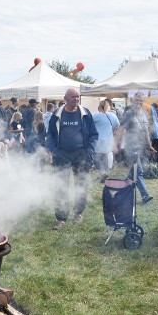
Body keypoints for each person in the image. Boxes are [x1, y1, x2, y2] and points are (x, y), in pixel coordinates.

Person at [46, 88, 98, 230]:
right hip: (61, 154)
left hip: (81, 154)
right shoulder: (57, 114)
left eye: (77, 96)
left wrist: (89, 150)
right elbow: (50, 134)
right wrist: (54, 150)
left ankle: (78, 213)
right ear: (66, 98)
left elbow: (93, 134)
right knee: (60, 186)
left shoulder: (85, 113)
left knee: (81, 184)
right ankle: (61, 218)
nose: (76, 99)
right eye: (73, 97)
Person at [117, 92, 155, 204]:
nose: (139, 102)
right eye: (137, 100)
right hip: (131, 147)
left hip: (142, 148)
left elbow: (146, 131)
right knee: (138, 171)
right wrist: (116, 144)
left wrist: (149, 145)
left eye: (141, 100)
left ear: (144, 101)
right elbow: (120, 129)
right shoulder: (129, 114)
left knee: (132, 173)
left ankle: (120, 191)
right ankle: (145, 195)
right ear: (132, 101)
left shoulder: (144, 114)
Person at [92, 99, 120, 182]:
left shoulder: (96, 115)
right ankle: (104, 174)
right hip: (109, 140)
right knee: (105, 158)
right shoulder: (113, 116)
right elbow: (117, 126)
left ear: (99, 106)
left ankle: (102, 173)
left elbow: (89, 125)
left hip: (98, 140)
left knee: (96, 158)